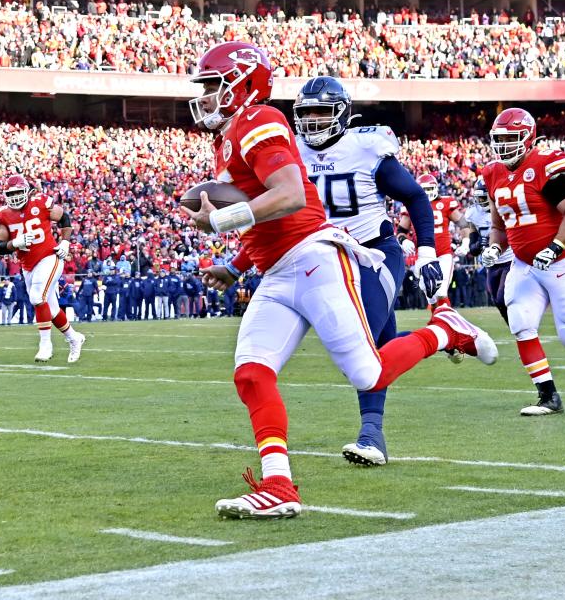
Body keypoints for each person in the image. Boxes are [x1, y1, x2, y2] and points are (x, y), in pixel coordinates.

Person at [181, 41, 497, 520]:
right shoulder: (229, 135)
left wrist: (222, 221)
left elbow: (287, 196)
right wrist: (236, 262)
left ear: (242, 84)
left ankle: (446, 330)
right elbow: (266, 212)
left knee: (367, 372)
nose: (204, 96)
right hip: (276, 270)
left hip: (314, 260)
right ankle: (279, 486)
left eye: (212, 86)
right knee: (251, 372)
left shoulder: (260, 120)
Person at [292, 75, 445, 467]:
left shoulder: (365, 147)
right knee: (380, 344)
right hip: (329, 259)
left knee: (362, 347)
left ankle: (370, 434)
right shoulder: (292, 151)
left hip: (376, 254)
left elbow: (414, 196)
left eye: (321, 112)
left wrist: (426, 252)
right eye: (305, 113)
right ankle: (443, 335)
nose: (311, 122)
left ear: (342, 114)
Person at [480, 107, 565, 416]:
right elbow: (499, 226)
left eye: (510, 139)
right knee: (520, 322)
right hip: (525, 265)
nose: (503, 146)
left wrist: (555, 247)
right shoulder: (492, 173)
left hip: (561, 262)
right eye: (498, 140)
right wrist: (492, 248)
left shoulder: (544, 164)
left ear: (527, 139)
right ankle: (548, 396)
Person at [0, 174, 85, 362]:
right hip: (27, 265)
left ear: (26, 191)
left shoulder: (40, 202)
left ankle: (45, 345)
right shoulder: (4, 214)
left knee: (37, 297)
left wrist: (65, 242)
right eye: (12, 193)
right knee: (50, 310)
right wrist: (15, 243)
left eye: (19, 192)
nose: (16, 197)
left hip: (49, 256)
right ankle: (74, 338)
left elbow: (64, 217)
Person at [399, 174, 473, 308]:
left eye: (430, 189)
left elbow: (462, 223)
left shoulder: (444, 203)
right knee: (431, 296)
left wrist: (466, 241)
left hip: (443, 254)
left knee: (441, 291)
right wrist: (404, 241)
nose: (427, 193)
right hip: (424, 257)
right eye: (424, 190)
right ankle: (437, 323)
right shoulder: (411, 205)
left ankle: (446, 323)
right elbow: (400, 231)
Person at [466, 178, 513, 322]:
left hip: (509, 259)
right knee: (496, 300)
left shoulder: (503, 208)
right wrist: (480, 243)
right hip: (491, 264)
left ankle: (519, 323)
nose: (480, 200)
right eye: (478, 197)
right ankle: (513, 327)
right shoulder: (474, 214)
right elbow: (472, 248)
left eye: (483, 197)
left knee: (502, 298)